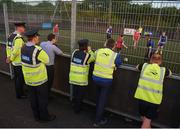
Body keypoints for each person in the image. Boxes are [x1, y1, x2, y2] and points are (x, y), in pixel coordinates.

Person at [21, 30, 56, 122]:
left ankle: (36, 116)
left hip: (29, 80)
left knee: (33, 99)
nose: (39, 38)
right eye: (38, 37)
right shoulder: (38, 50)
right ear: (34, 37)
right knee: (42, 100)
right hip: (40, 81)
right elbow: (47, 60)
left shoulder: (23, 47)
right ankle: (45, 117)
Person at [134, 53, 172, 128]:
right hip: (154, 101)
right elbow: (170, 73)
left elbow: (136, 67)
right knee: (146, 122)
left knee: (145, 119)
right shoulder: (163, 70)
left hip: (142, 98)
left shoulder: (144, 66)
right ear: (160, 62)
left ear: (151, 60)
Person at [92, 38, 122, 127]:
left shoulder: (98, 51)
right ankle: (97, 121)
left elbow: (93, 58)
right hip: (106, 81)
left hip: (95, 78)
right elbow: (119, 63)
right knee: (102, 100)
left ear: (106, 44)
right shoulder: (115, 55)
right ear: (114, 46)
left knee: (98, 98)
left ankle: (97, 114)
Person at [69, 39, 95, 113]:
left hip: (73, 78)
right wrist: (90, 50)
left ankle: (74, 105)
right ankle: (77, 109)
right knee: (80, 95)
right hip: (81, 80)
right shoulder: (87, 56)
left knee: (75, 93)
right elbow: (93, 57)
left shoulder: (74, 52)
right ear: (86, 46)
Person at [6, 22, 27, 99]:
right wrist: (10, 58)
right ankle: (20, 94)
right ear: (19, 28)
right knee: (20, 79)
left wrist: (9, 57)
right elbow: (16, 51)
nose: (24, 29)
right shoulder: (18, 38)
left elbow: (8, 47)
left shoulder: (11, 36)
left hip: (14, 62)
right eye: (23, 27)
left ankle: (19, 92)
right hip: (19, 62)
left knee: (17, 78)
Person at [40, 33, 63, 98]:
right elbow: (60, 53)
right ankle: (46, 96)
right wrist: (55, 46)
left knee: (43, 82)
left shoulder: (42, 43)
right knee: (49, 82)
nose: (56, 39)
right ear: (53, 39)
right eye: (55, 38)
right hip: (49, 67)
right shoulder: (53, 47)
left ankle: (43, 94)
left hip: (42, 66)